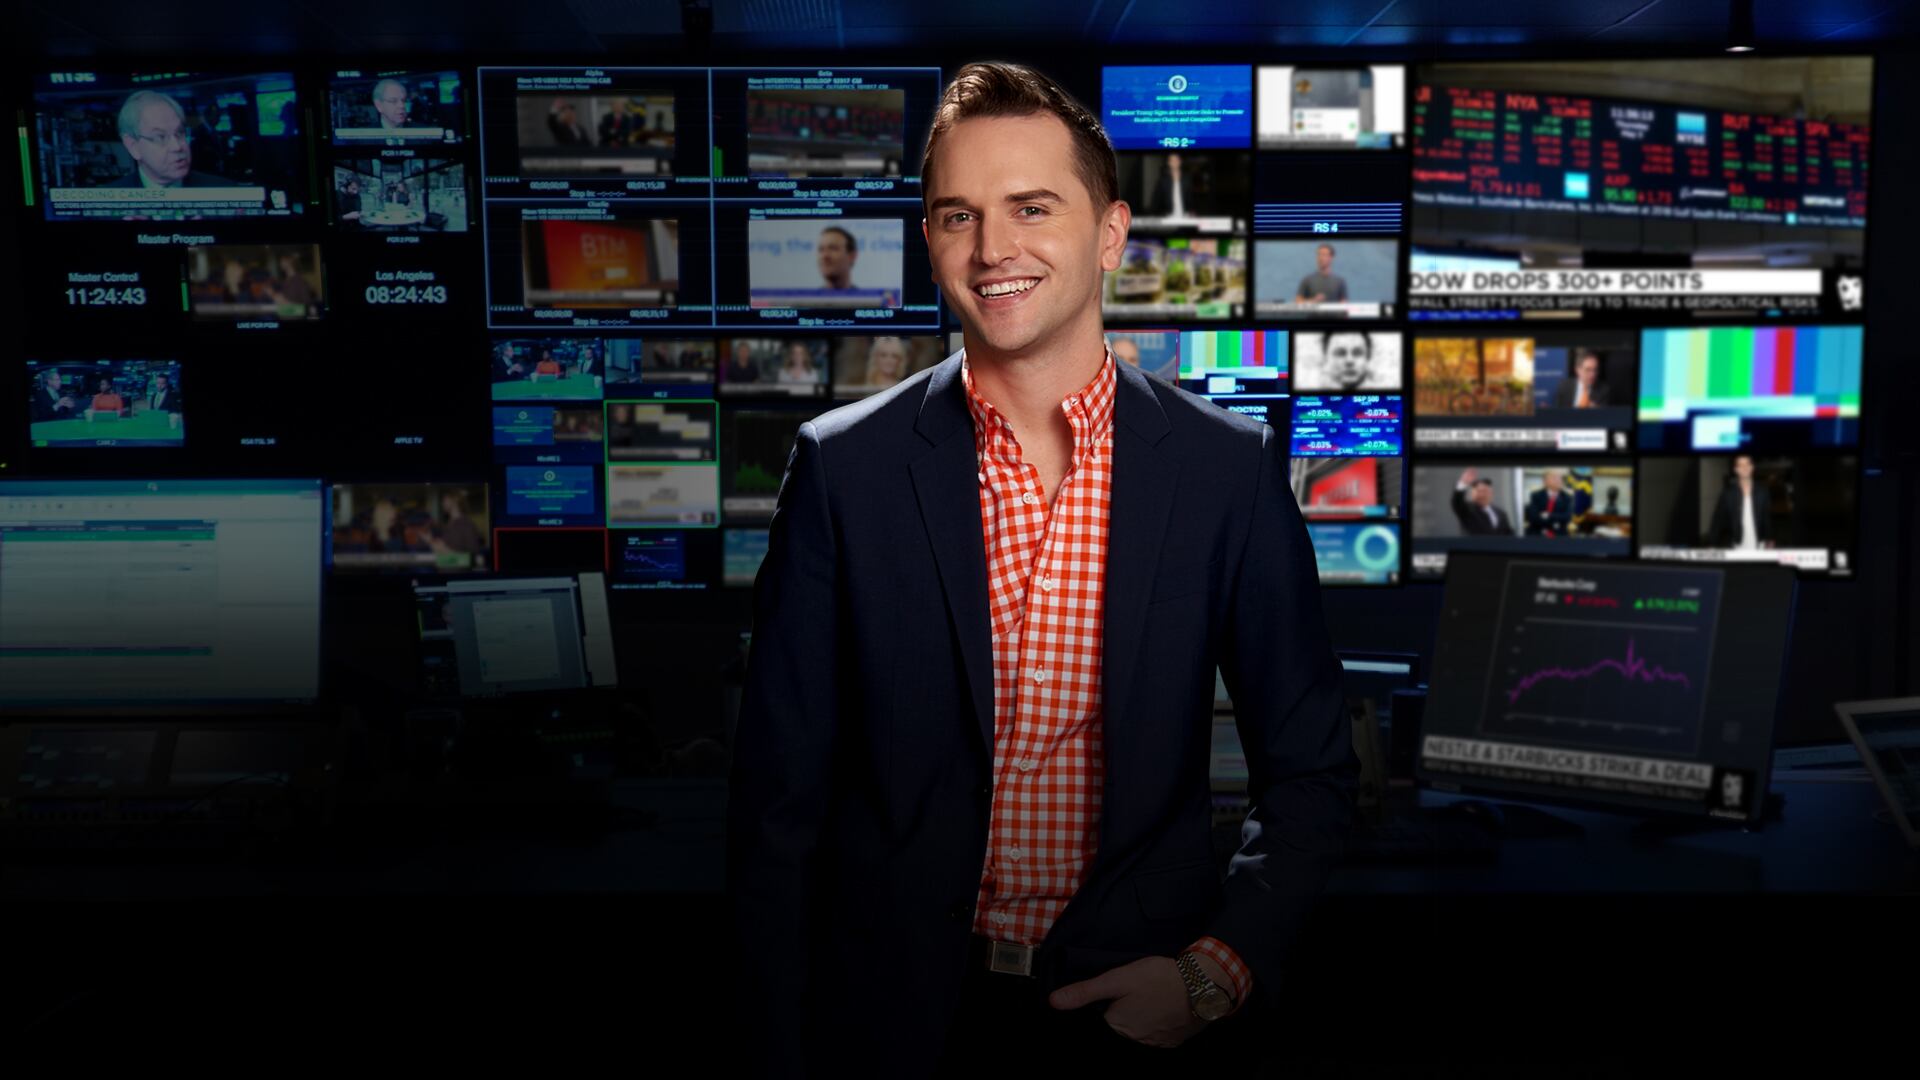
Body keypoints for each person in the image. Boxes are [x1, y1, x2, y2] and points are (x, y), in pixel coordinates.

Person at [729, 62, 1354, 1074]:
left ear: (1110, 234)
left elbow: (1312, 776)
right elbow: (775, 807)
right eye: (958, 216)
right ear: (930, 239)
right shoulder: (844, 470)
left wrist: (1214, 971)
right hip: (892, 1025)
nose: (992, 250)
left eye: (1031, 208)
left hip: (1134, 1016)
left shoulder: (1226, 472)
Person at [107, 91, 231, 188]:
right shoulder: (107, 202)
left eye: (180, 133)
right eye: (160, 137)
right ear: (133, 146)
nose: (177, 146)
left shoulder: (225, 191)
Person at [1708, 454, 1774, 550]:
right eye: (1740, 465)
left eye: (1747, 464)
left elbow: (1767, 518)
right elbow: (1718, 520)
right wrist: (1712, 544)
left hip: (1760, 544)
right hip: (1738, 545)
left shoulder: (1763, 492)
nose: (1744, 467)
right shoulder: (1728, 494)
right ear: (1736, 469)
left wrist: (1770, 539)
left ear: (1752, 467)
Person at [1451, 468, 1514, 536]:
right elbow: (1457, 501)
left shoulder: (1501, 513)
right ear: (1471, 494)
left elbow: (1508, 533)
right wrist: (1463, 483)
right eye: (1479, 491)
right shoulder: (1466, 510)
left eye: (1485, 491)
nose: (1482, 495)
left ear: (1491, 494)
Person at [431, 489, 484, 558]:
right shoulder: (447, 524)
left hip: (457, 565)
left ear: (455, 500)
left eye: (445, 500)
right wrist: (433, 543)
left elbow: (474, 558)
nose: (442, 503)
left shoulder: (467, 524)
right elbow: (445, 553)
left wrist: (445, 550)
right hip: (445, 564)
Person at [1524, 469, 1574, 538]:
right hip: (1537, 533)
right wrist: (1557, 517)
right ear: (1545, 481)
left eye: (1560, 478)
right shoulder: (1536, 495)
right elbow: (1533, 517)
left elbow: (1567, 517)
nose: (1558, 480)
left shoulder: (1567, 497)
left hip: (1559, 534)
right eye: (1554, 478)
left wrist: (1548, 515)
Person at [1147, 152, 1192, 219]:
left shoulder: (1187, 179)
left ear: (1180, 161)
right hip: (1168, 217)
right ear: (1168, 163)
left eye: (1176, 160)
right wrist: (1152, 215)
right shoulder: (1162, 181)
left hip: (1185, 216)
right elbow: (1156, 200)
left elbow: (1191, 198)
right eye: (1172, 160)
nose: (1174, 162)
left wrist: (1192, 212)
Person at [816, 226, 858, 291]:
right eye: (821, 249)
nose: (825, 256)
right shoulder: (806, 297)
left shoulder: (867, 297)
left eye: (833, 248)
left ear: (852, 256)